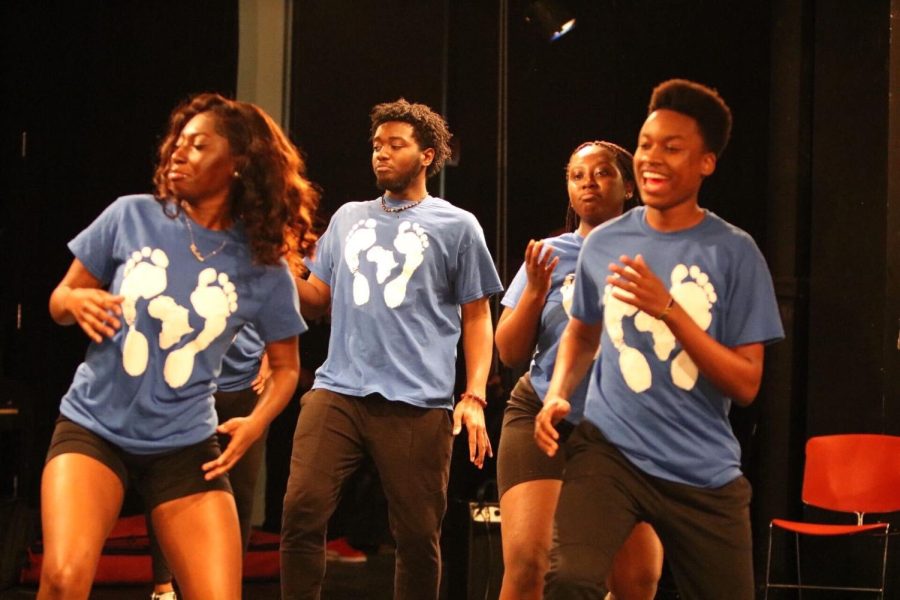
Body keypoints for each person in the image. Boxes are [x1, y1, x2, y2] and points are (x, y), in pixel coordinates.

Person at [40, 92, 318, 600]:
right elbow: (60, 297)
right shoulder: (131, 216)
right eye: (178, 144)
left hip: (184, 444)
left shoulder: (262, 264)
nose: (178, 154)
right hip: (95, 427)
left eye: (197, 145)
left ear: (237, 164)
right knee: (62, 579)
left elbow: (285, 369)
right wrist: (76, 303)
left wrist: (256, 423)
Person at [536, 79, 784, 599]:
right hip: (610, 453)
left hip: (701, 469)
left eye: (672, 148)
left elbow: (746, 384)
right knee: (570, 582)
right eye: (647, 145)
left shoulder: (735, 254)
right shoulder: (605, 242)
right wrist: (559, 390)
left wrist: (669, 310)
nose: (652, 158)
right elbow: (582, 331)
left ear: (706, 163)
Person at [280, 98, 503, 600]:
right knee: (300, 509)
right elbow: (318, 302)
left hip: (417, 402)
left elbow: (477, 315)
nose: (381, 154)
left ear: (426, 155)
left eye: (395, 145)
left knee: (418, 536)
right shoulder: (347, 218)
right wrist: (280, 266)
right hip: (339, 389)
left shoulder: (457, 226)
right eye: (376, 145)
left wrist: (473, 395)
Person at [495, 140, 663, 600]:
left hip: (624, 433)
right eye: (577, 175)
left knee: (636, 579)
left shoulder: (658, 254)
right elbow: (508, 351)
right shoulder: (549, 253)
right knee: (530, 563)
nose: (588, 182)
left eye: (603, 173)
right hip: (543, 416)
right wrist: (533, 291)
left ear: (628, 186)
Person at [148, 325, 271, 600]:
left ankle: (228, 587)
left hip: (247, 385)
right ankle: (163, 587)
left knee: (241, 490)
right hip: (188, 378)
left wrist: (274, 350)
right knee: (169, 479)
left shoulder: (269, 279)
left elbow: (283, 299)